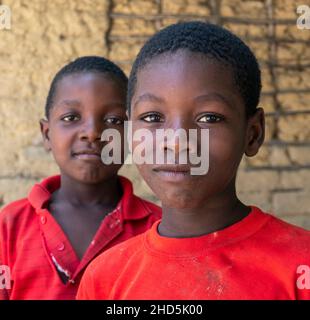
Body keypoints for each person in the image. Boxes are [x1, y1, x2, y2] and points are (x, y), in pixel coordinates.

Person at [76, 22, 310, 300]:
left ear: (253, 133)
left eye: (209, 118)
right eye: (152, 117)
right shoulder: (105, 278)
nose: (176, 140)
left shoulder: (299, 267)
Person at [0, 56, 161, 300]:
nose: (92, 133)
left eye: (113, 121)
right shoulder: (9, 227)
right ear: (46, 134)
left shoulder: (160, 230)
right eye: (71, 118)